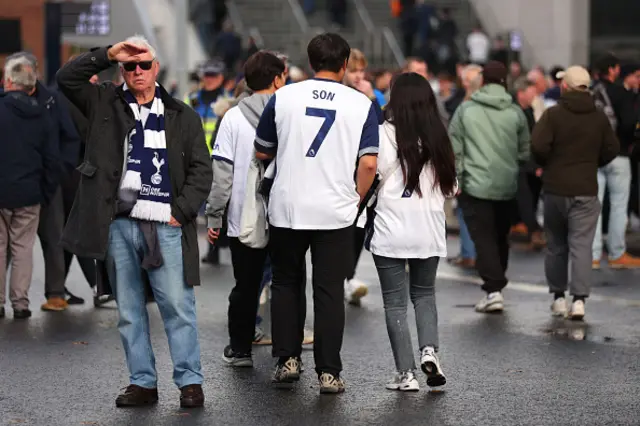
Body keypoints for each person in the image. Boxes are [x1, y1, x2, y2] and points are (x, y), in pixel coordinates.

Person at [57, 36, 212, 408]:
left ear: (157, 68)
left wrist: (182, 211)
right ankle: (142, 382)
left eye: (144, 65)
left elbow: (201, 170)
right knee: (128, 310)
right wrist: (109, 53)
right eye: (130, 66)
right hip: (119, 223)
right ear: (121, 70)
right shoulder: (103, 102)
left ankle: (190, 382)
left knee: (177, 306)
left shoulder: (181, 114)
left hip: (165, 224)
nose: (137, 71)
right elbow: (66, 79)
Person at [254, 33, 378, 394]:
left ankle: (288, 360)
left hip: (288, 206)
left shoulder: (284, 96)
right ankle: (329, 372)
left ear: (310, 64)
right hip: (335, 210)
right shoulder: (361, 103)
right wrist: (355, 197)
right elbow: (369, 163)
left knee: (287, 283)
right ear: (344, 66)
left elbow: (263, 151)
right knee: (327, 290)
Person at [367, 72, 456, 391]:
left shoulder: (381, 133)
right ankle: (429, 350)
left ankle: (405, 375)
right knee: (424, 295)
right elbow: (451, 188)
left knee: (395, 303)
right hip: (428, 230)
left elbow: (370, 173)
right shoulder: (438, 136)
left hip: (390, 228)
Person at [206, 51, 287, 366]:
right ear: (277, 78)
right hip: (287, 216)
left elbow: (222, 173)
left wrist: (215, 216)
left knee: (246, 286)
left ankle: (240, 349)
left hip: (244, 218)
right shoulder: (290, 113)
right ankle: (287, 354)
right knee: (286, 283)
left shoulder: (232, 117)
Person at [531, 66, 619, 320]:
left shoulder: (553, 115)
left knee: (556, 245)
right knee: (582, 245)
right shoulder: (599, 117)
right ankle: (579, 301)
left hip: (556, 189)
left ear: (564, 86)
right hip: (586, 189)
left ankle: (558, 298)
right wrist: (593, 162)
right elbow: (612, 148)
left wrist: (548, 163)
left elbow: (537, 145)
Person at [449, 61, 530, 313]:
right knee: (500, 237)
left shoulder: (465, 110)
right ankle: (496, 286)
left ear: (482, 82)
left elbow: (455, 149)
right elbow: (524, 151)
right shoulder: (515, 112)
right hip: (506, 185)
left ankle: (493, 289)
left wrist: (458, 180)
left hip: (475, 184)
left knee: (483, 238)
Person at [4, 52, 82, 312]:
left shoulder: (52, 101)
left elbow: (68, 139)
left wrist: (57, 175)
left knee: (53, 237)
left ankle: (56, 292)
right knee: (13, 244)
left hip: (48, 181)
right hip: (23, 182)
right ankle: (16, 299)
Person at [0, 55, 60, 320]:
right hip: (30, 193)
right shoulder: (42, 115)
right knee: (23, 247)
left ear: (9, 81)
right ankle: (21, 303)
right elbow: (52, 159)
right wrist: (45, 192)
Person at [342, 48, 385, 305]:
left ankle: (349, 276)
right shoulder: (339, 94)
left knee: (359, 226)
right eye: (353, 71)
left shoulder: (373, 94)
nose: (358, 76)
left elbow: (383, 128)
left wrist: (371, 97)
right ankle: (341, 277)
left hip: (364, 166)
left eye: (361, 71)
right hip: (342, 165)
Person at [591, 54, 640, 269]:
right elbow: (630, 122)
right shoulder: (621, 94)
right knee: (619, 205)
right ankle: (616, 253)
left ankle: (592, 255)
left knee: (593, 206)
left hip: (592, 156)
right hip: (618, 154)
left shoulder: (589, 93)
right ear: (613, 70)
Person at [446, 64, 482, 269]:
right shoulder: (502, 105)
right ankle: (477, 252)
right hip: (491, 169)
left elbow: (455, 141)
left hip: (469, 167)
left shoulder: (465, 107)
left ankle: (469, 253)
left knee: (465, 211)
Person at [512, 77, 545, 249]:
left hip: (527, 160)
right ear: (521, 93)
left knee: (532, 190)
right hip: (516, 161)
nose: (534, 96)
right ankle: (532, 229)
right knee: (523, 193)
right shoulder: (513, 111)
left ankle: (524, 223)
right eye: (531, 92)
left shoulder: (529, 111)